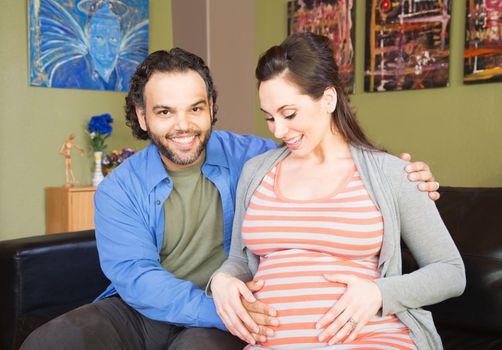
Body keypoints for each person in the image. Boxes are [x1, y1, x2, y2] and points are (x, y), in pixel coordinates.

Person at [22, 47, 440, 350]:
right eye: (165, 112)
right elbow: (137, 279)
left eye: (195, 108)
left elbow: (317, 151)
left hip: (227, 318)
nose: (183, 125)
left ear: (211, 108)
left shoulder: (257, 159)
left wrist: (407, 176)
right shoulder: (118, 189)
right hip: (152, 309)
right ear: (144, 116)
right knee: (47, 342)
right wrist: (223, 308)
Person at [210, 32, 465, 350]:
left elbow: (450, 272)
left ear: (328, 99)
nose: (278, 129)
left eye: (289, 114)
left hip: (369, 340)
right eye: (269, 118)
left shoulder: (390, 174)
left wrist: (379, 293)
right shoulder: (256, 172)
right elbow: (239, 259)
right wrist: (221, 280)